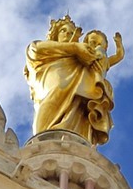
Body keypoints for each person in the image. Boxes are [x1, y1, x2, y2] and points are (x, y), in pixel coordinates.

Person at [23, 18, 125, 146]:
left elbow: (110, 60)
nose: (67, 34)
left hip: (78, 100)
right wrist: (74, 47)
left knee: (80, 113)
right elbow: (35, 49)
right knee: (46, 122)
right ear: (55, 34)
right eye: (63, 30)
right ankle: (43, 143)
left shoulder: (80, 61)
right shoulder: (43, 52)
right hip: (50, 90)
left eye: (71, 32)